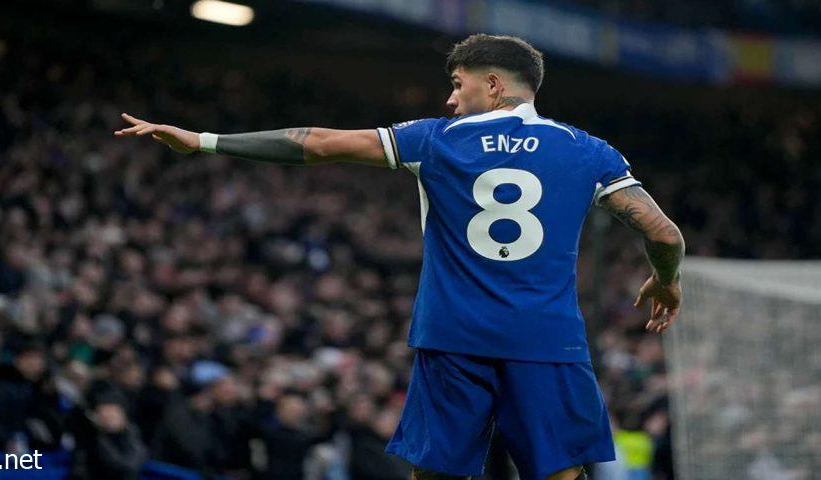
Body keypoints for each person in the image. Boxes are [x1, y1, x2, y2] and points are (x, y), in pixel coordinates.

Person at [114, 33, 684, 480]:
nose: (450, 98)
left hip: (454, 334)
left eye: (458, 85)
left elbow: (315, 142)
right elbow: (663, 234)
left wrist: (203, 140)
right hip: (548, 337)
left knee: (436, 470)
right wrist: (665, 281)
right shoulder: (589, 150)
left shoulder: (434, 138)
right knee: (560, 472)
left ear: (492, 84)